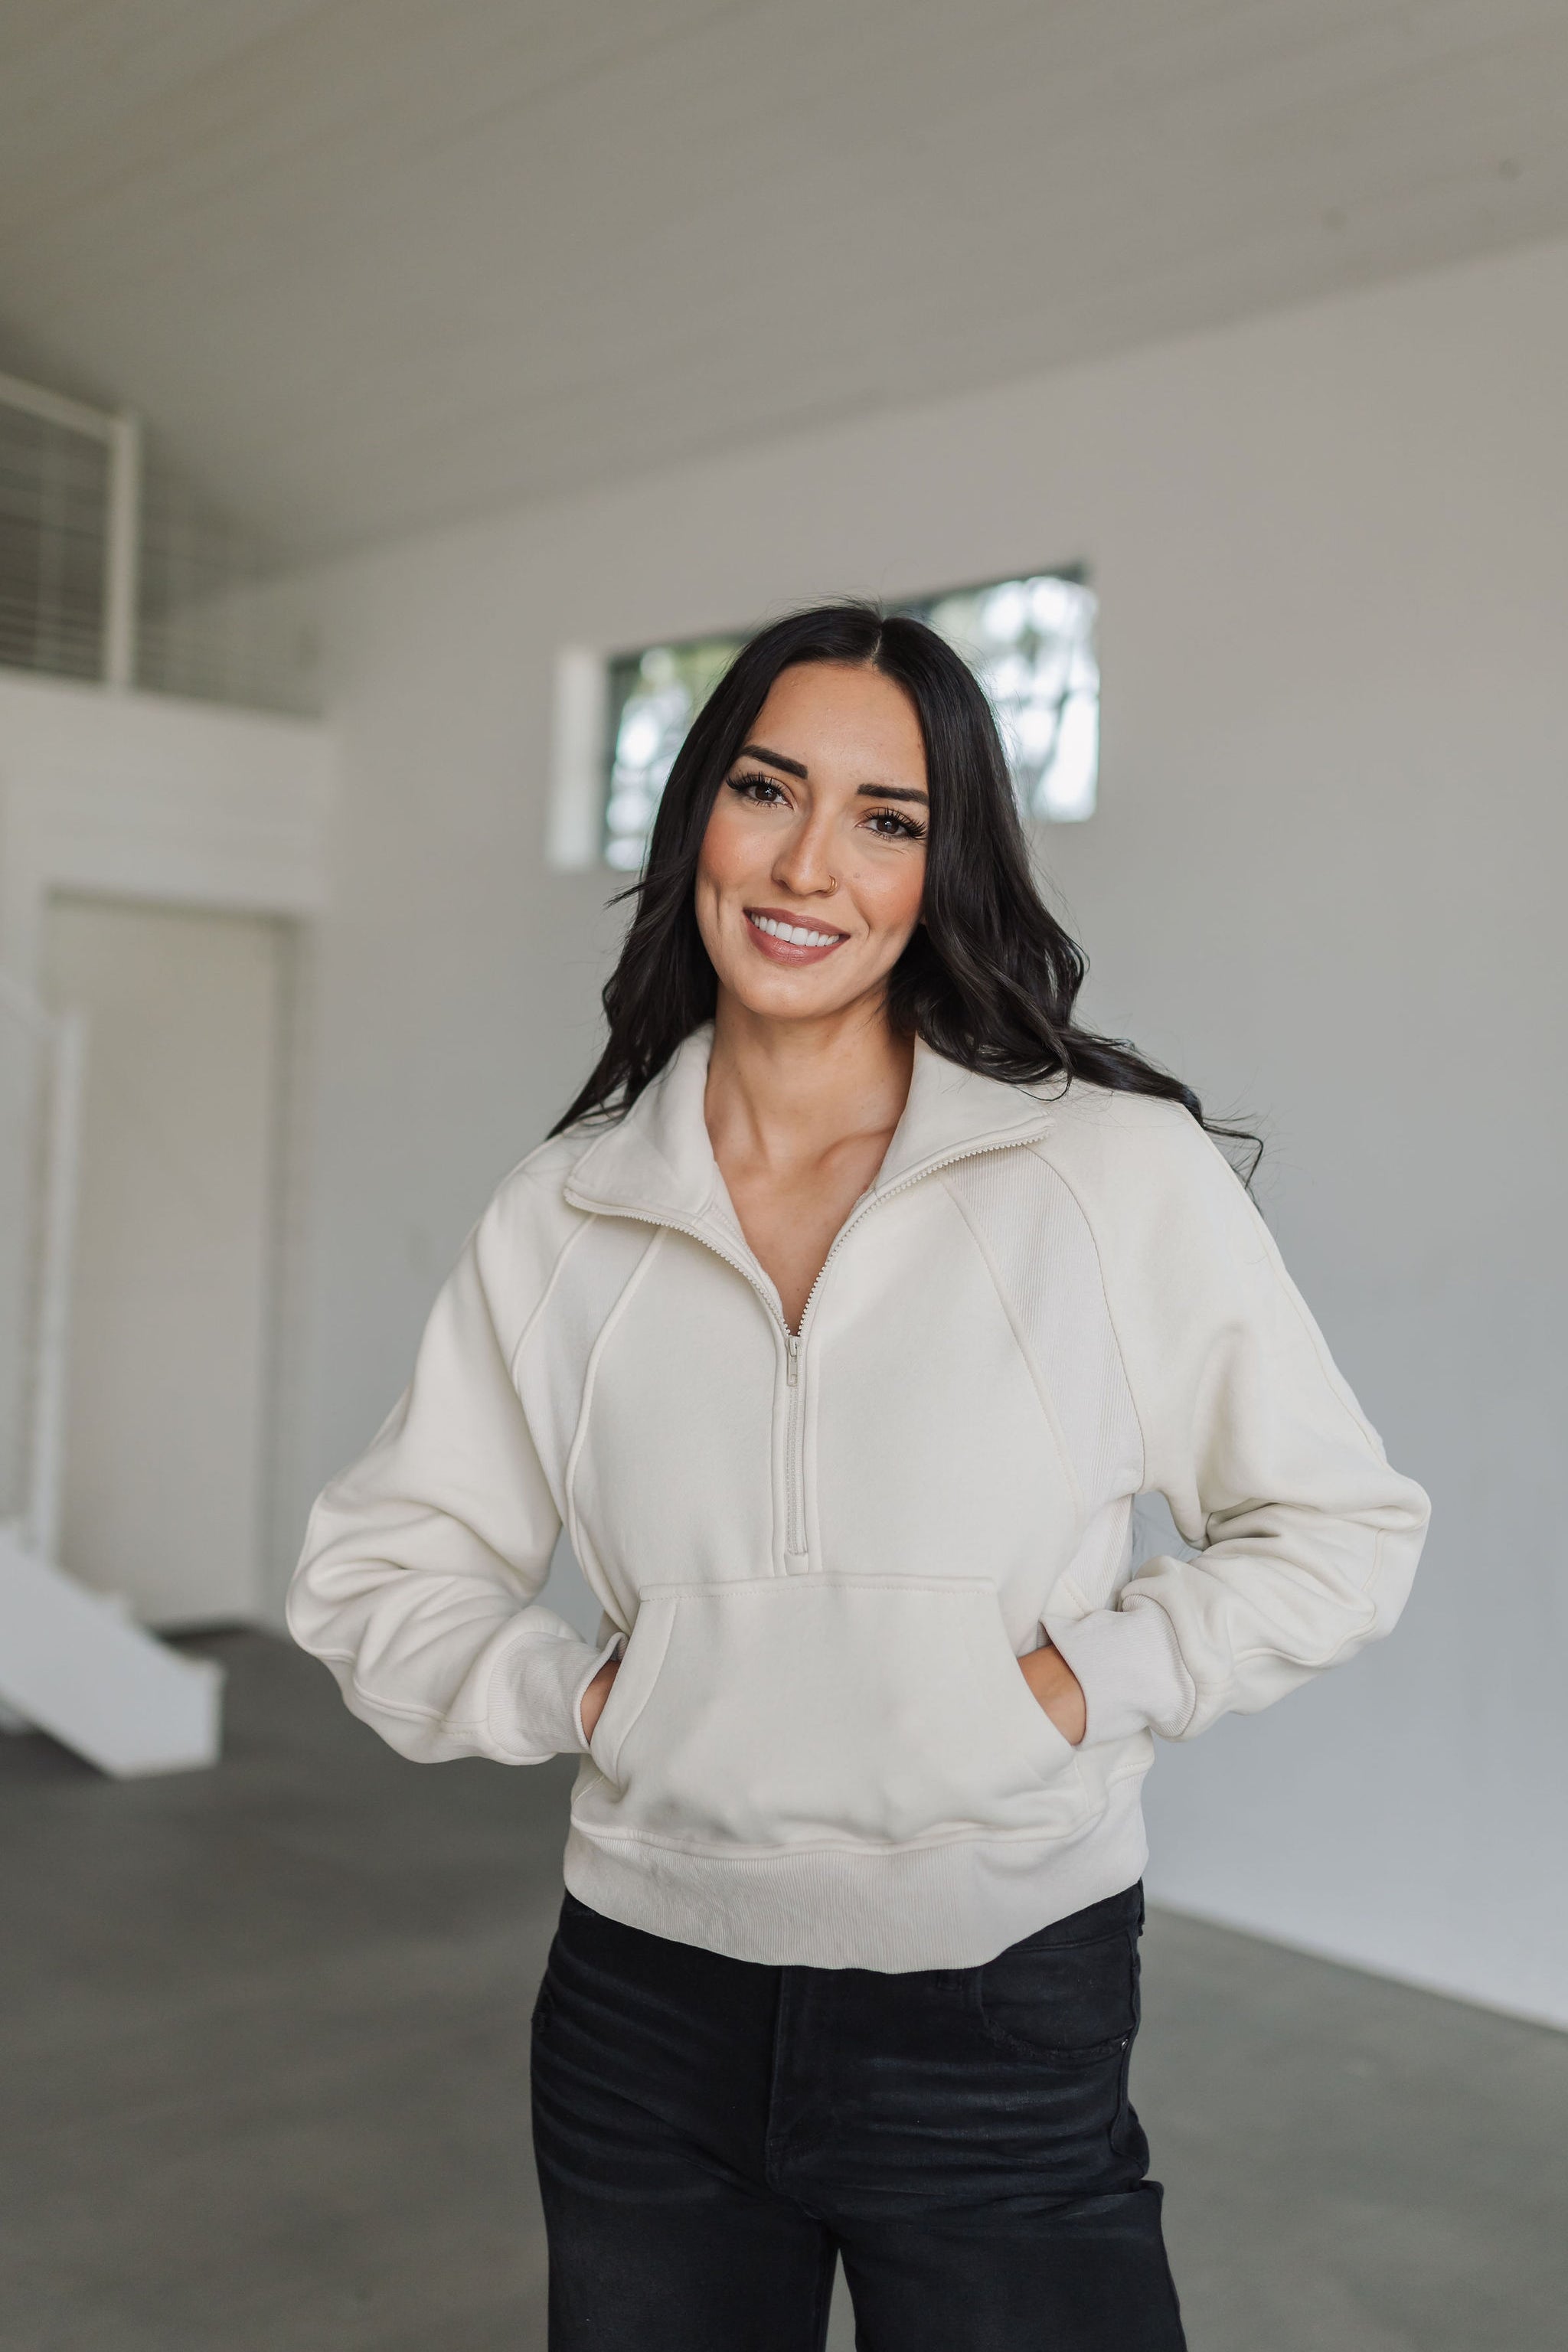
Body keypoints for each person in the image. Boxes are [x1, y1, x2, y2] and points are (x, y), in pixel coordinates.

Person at [289, 603, 1429, 2350]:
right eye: (768, 790)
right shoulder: (567, 1210)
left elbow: (1337, 1529)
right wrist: (587, 1692)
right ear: (698, 825)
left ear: (942, 864)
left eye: (887, 819)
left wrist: (1080, 1686)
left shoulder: (1106, 1174)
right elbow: (379, 1569)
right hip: (643, 2016)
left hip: (1000, 2005)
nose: (811, 863)